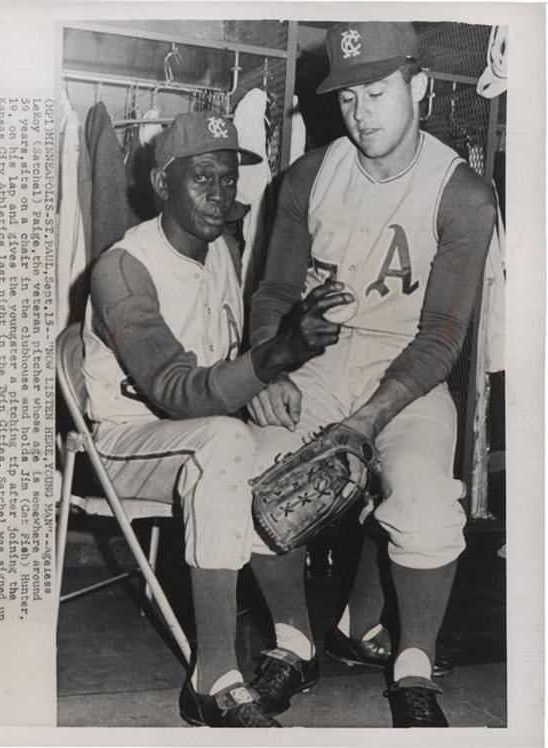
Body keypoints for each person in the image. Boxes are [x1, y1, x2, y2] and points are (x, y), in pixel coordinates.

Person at [246, 21, 497, 727]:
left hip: (408, 372)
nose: (363, 113)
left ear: (417, 86)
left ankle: (412, 667)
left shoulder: (464, 195)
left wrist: (365, 422)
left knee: (424, 502)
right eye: (349, 98)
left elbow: (444, 333)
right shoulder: (307, 175)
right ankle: (294, 643)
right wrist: (269, 364)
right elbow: (271, 292)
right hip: (315, 360)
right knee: (249, 477)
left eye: (379, 92)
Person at [81, 110, 352, 728]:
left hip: (199, 434)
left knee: (282, 443)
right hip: (123, 445)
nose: (220, 194)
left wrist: (268, 383)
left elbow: (223, 365)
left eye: (229, 179)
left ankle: (297, 644)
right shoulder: (123, 266)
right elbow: (176, 389)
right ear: (160, 184)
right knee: (228, 443)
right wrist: (276, 354)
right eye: (201, 177)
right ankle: (215, 678)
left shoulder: (222, 249)